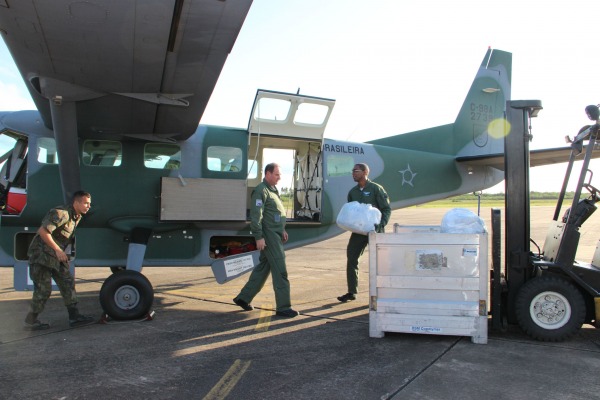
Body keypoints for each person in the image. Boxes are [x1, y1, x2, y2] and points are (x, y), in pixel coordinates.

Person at [233, 163, 299, 318]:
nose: (279, 177)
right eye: (276, 174)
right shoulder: (261, 191)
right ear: (267, 174)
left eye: (279, 174)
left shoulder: (273, 191)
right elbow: (257, 217)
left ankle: (243, 298)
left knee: (263, 268)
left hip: (275, 235)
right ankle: (283, 307)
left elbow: (274, 214)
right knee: (280, 271)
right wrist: (259, 237)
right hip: (269, 238)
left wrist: (282, 229)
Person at [23, 190, 95, 330]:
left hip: (56, 256)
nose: (88, 206)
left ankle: (74, 317)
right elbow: (43, 231)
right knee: (44, 290)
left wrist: (61, 253)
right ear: (77, 202)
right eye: (86, 203)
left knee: (67, 282)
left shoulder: (76, 217)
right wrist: (57, 250)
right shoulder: (61, 213)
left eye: (89, 204)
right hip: (41, 255)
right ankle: (30, 321)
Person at [338, 163, 391, 302]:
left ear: (365, 172)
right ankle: (352, 291)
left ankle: (382, 293)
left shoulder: (376, 189)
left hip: (375, 232)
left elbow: (386, 209)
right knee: (351, 257)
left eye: (356, 171)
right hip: (358, 232)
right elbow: (351, 212)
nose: (353, 173)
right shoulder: (352, 192)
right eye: (352, 171)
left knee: (380, 262)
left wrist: (380, 226)